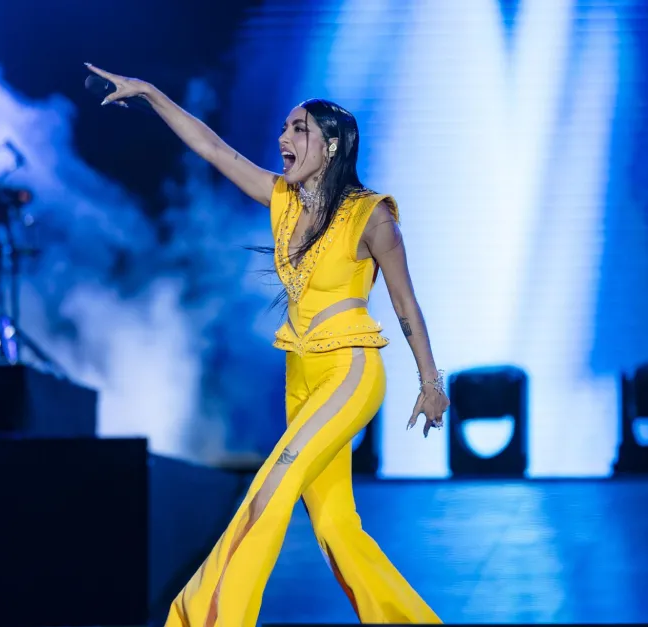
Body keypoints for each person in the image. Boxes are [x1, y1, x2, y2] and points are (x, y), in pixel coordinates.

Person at [86, 63, 450, 627]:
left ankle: (207, 619)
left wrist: (431, 384)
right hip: (300, 374)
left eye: (298, 129)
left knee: (272, 486)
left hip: (349, 371)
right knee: (334, 529)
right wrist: (154, 94)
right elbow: (211, 148)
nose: (283, 139)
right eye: (283, 128)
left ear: (330, 145)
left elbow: (406, 304)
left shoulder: (370, 215)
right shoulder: (281, 200)